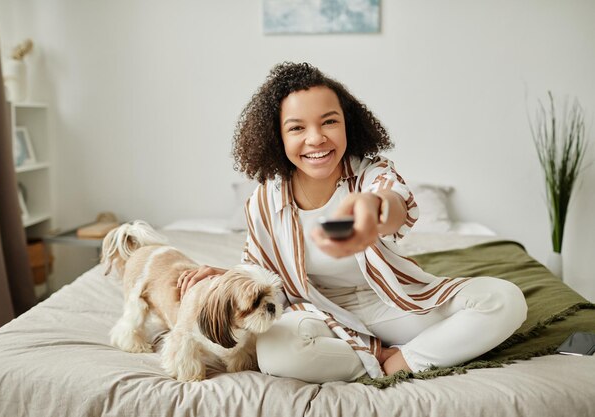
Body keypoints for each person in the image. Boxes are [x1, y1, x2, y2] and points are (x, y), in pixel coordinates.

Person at [177, 62, 528, 382]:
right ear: (278, 137)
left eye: (329, 121)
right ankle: (379, 353)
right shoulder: (263, 201)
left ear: (347, 124)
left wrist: (372, 209)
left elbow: (395, 204)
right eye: (297, 128)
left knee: (505, 300)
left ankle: (400, 361)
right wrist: (225, 278)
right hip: (319, 313)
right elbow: (261, 269)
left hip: (392, 303)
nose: (316, 138)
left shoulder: (371, 174)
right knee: (275, 354)